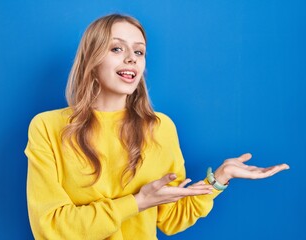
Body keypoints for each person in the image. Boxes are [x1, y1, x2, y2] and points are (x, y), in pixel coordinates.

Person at [25, 14, 289, 240]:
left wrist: (219, 178)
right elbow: (51, 228)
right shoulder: (48, 127)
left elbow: (171, 219)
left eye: (138, 52)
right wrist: (137, 202)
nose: (131, 59)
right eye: (117, 49)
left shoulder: (160, 128)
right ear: (91, 60)